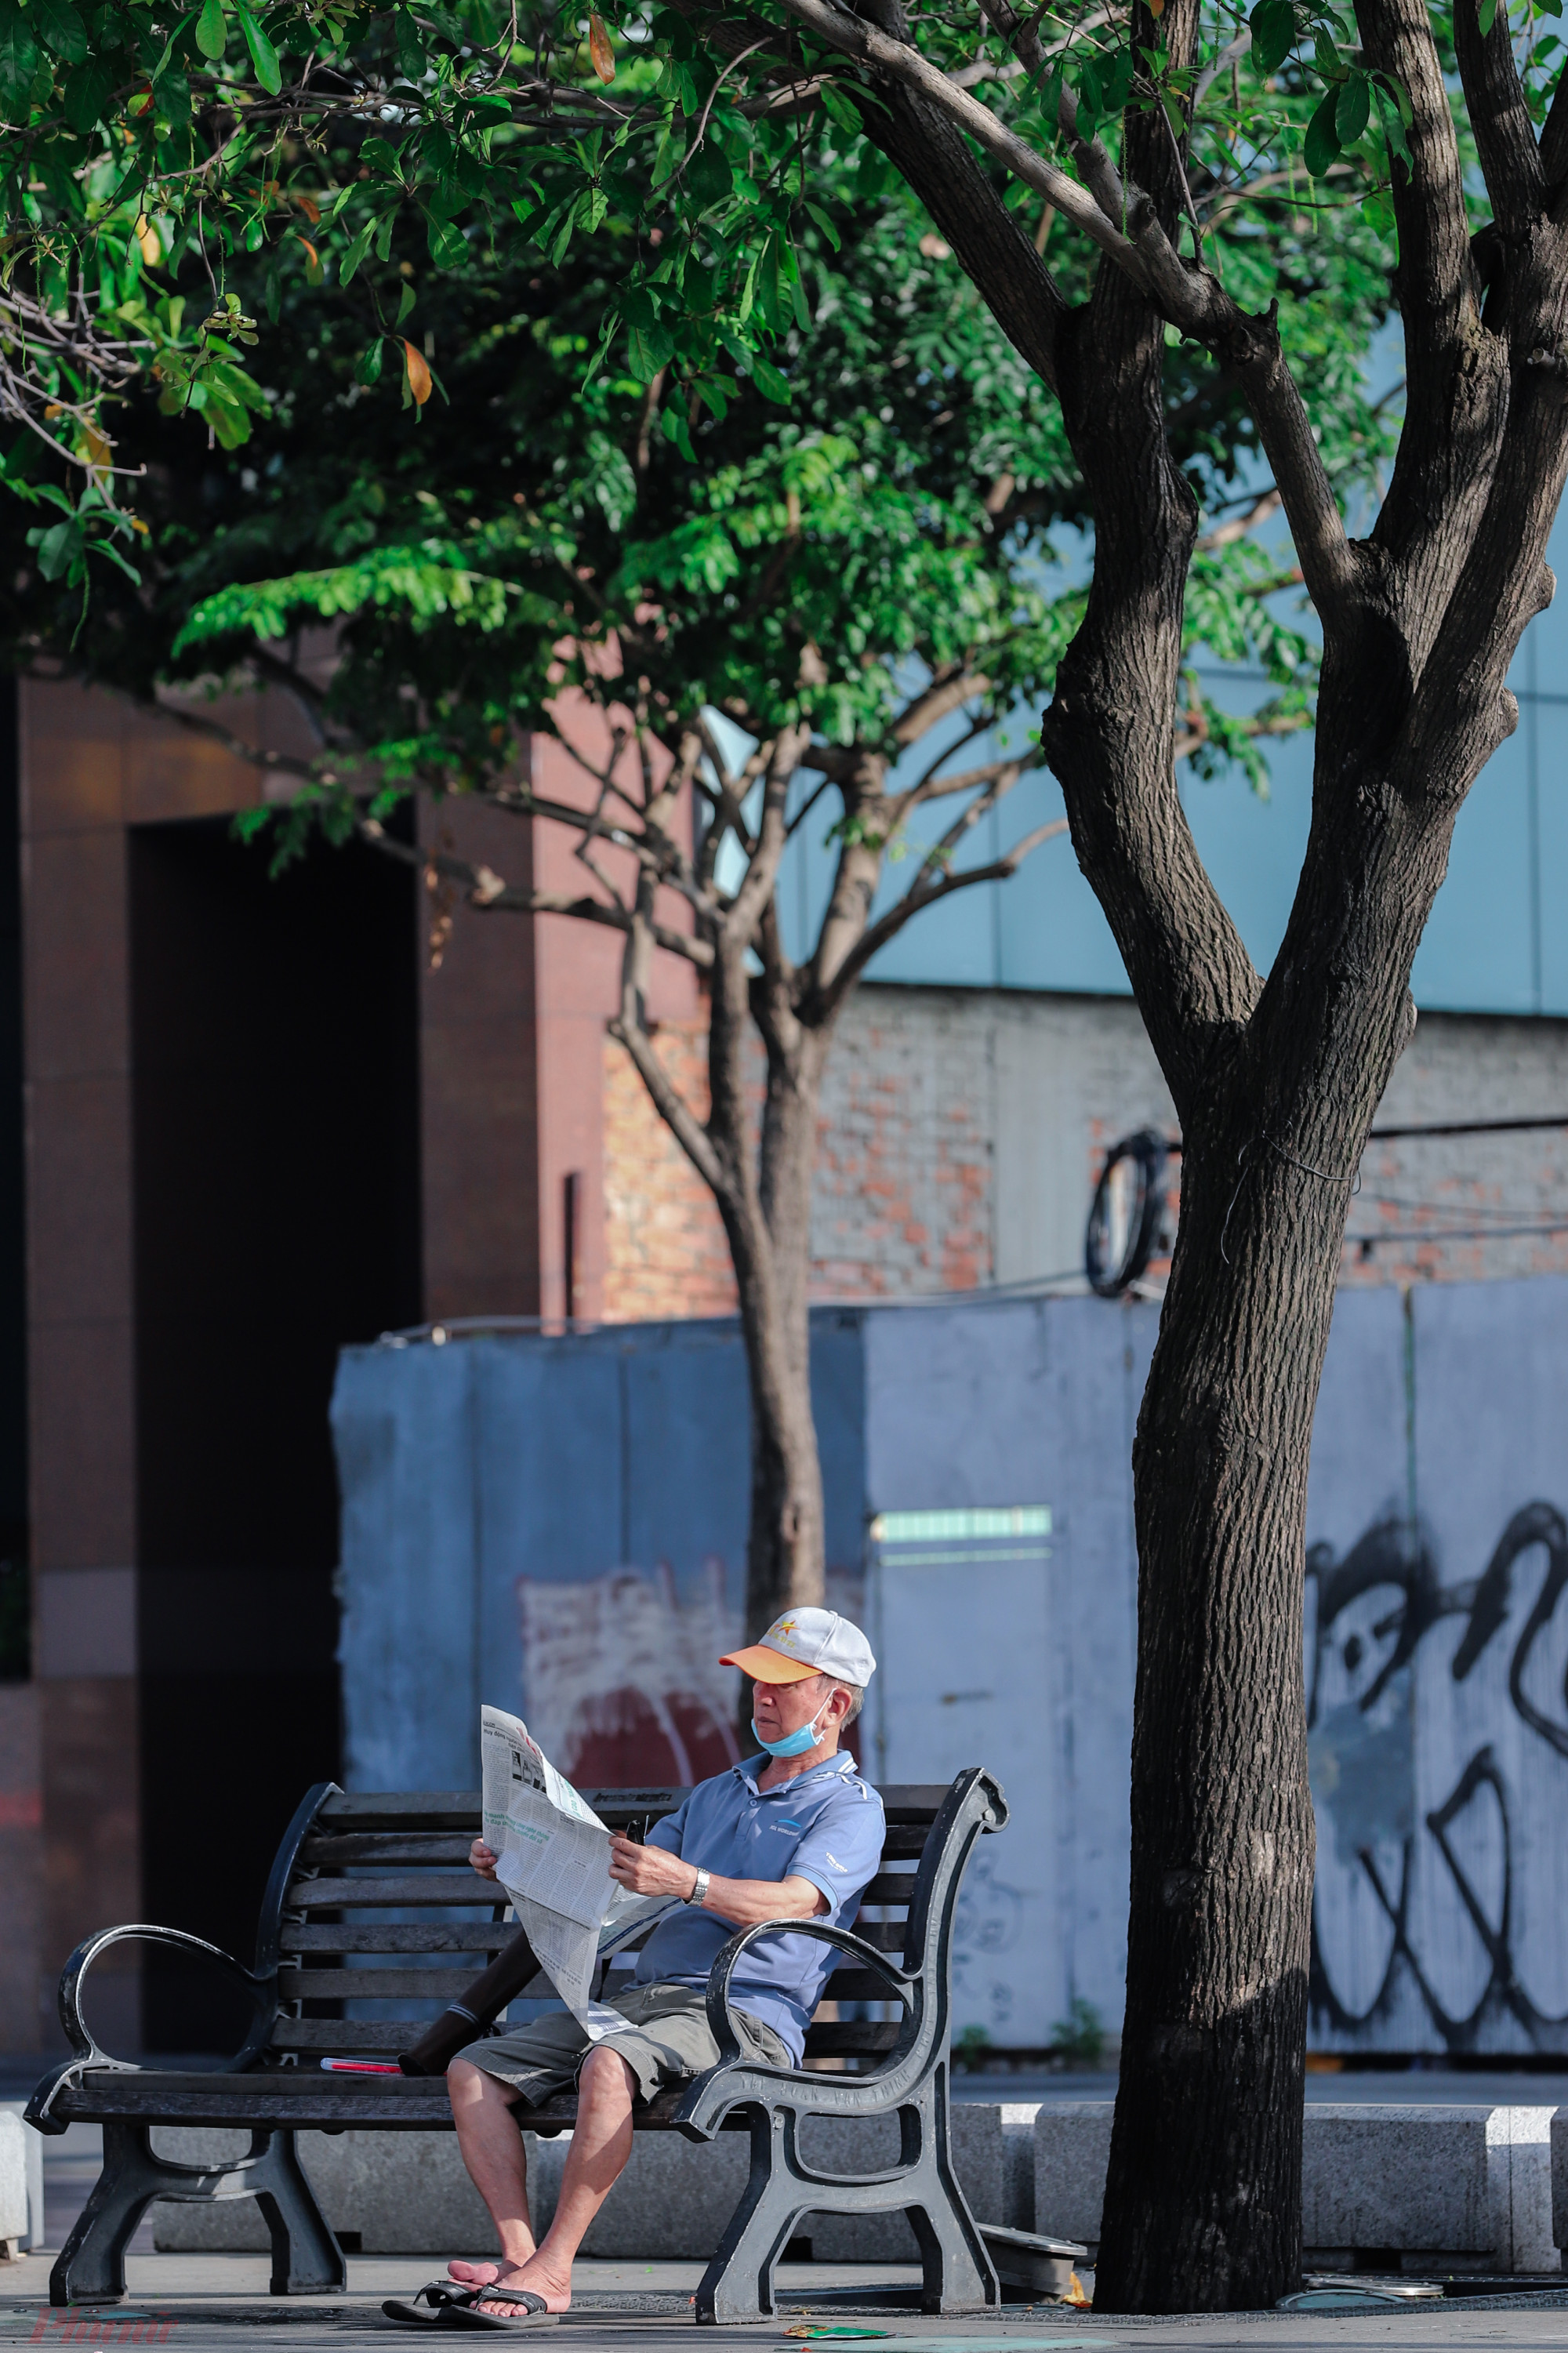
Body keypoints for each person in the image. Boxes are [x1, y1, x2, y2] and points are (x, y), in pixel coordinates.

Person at [438, 1608, 885, 2324]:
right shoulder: (715, 1792)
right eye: (755, 1683)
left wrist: (690, 1883)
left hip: (744, 2013)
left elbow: (797, 1903)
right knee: (474, 2070)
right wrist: (516, 1860)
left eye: (782, 1684)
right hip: (650, 2003)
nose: (761, 1699)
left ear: (835, 1703)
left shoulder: (851, 1807)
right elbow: (614, 1890)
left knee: (608, 2063)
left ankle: (553, 2269)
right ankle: (525, 2261)